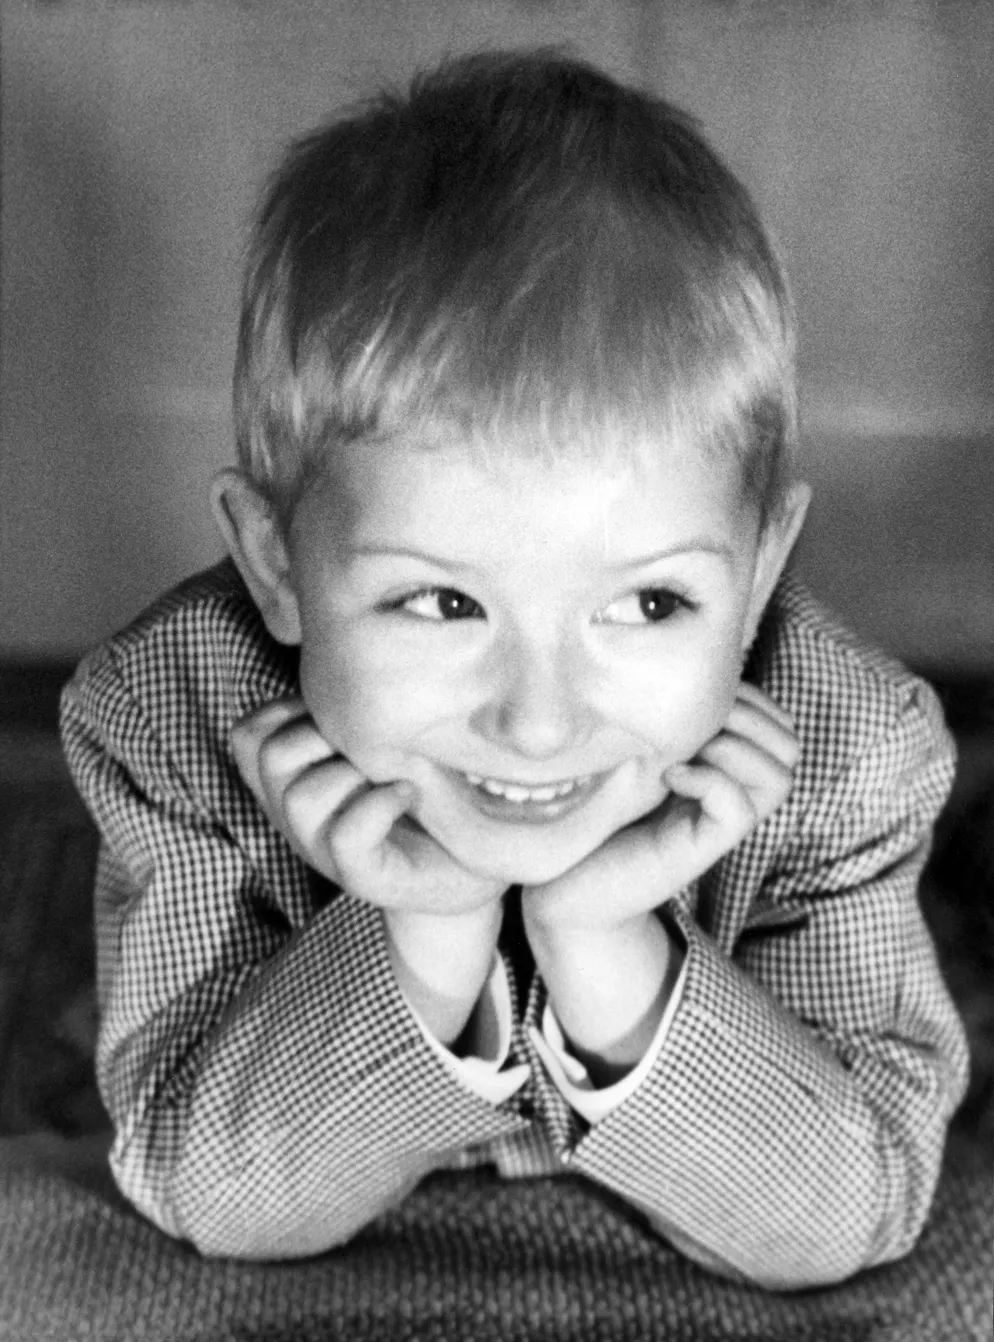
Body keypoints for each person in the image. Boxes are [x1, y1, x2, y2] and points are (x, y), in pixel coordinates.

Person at [60, 49, 968, 1287]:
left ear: (756, 574)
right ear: (277, 563)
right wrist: (425, 926)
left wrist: (603, 943)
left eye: (649, 602)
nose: (538, 723)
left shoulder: (850, 752)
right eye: (439, 601)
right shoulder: (169, 718)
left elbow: (846, 1217)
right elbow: (216, 1196)